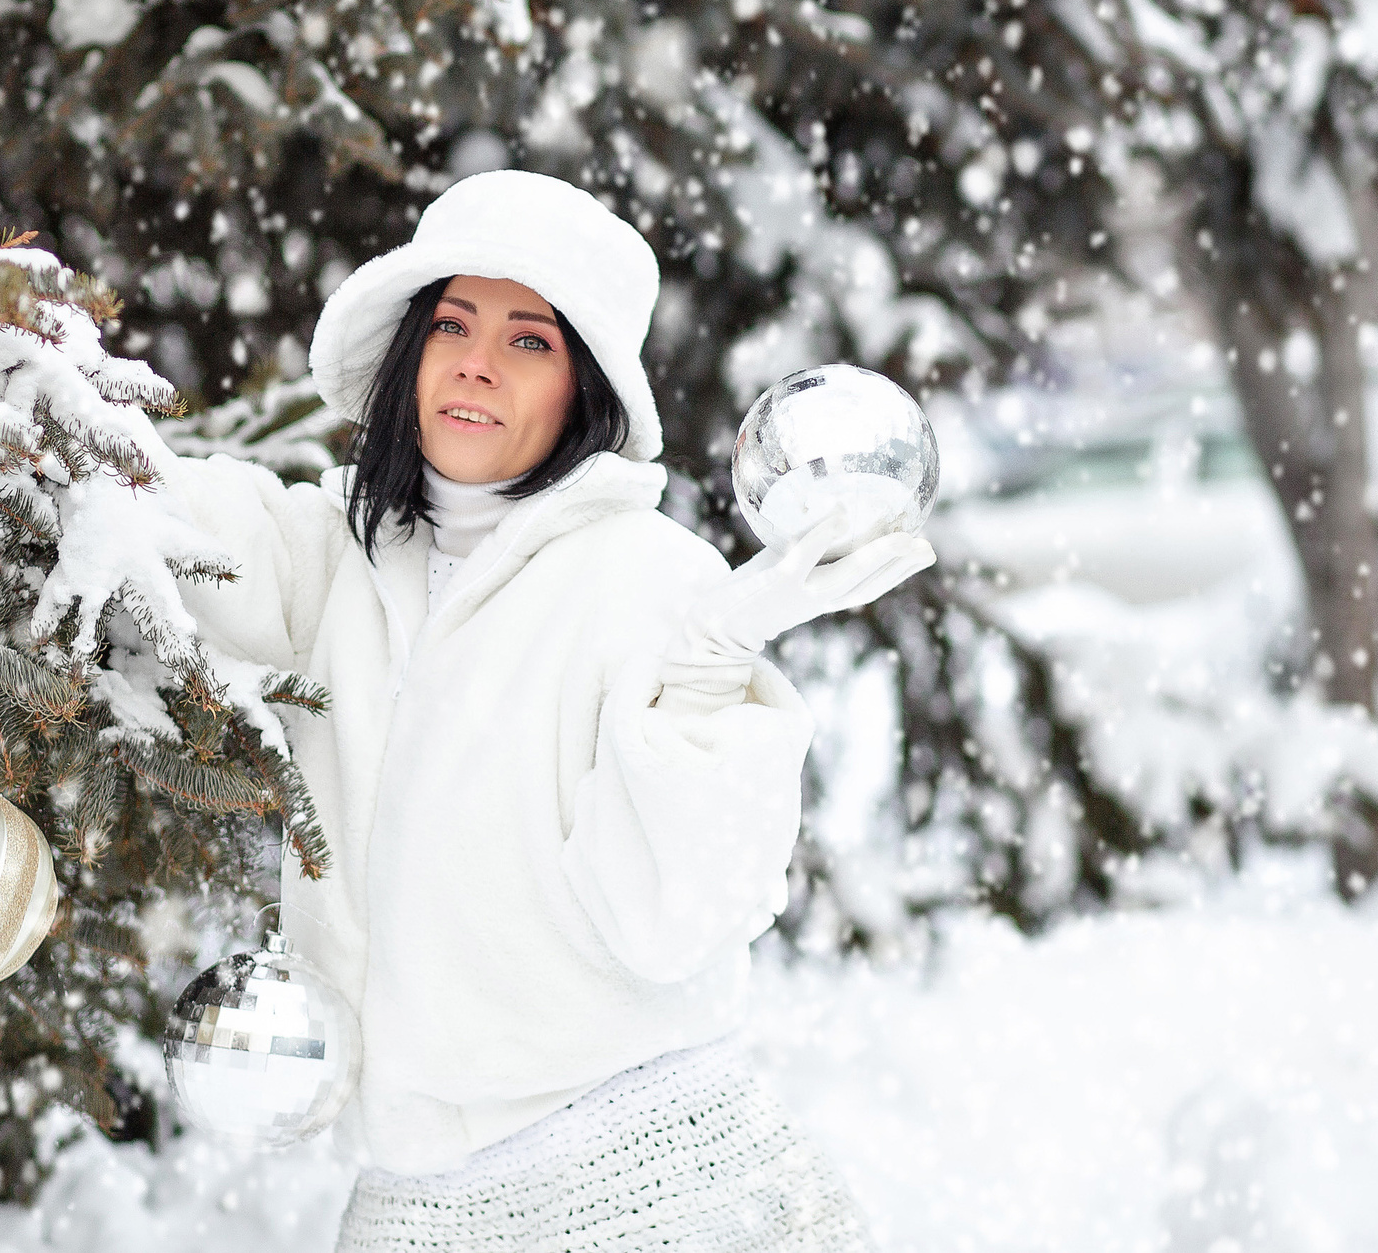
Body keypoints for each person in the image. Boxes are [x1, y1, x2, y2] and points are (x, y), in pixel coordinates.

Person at [156, 171, 932, 1250]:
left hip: (649, 1185)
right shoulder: (341, 555)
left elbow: (676, 918)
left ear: (584, 389)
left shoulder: (647, 577)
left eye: (529, 340)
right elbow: (174, 522)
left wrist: (706, 665)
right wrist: (35, 425)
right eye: (451, 325)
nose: (474, 361)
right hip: (416, 1201)